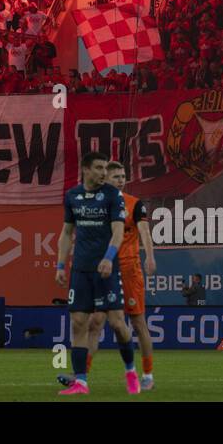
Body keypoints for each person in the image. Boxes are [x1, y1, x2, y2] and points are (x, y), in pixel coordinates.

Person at [60, 161, 157, 392]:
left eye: (123, 176)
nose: (120, 180)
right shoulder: (97, 200)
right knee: (94, 323)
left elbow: (144, 231)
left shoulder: (134, 204)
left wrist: (150, 256)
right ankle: (81, 376)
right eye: (115, 176)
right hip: (102, 268)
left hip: (128, 268)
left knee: (136, 322)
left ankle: (147, 374)